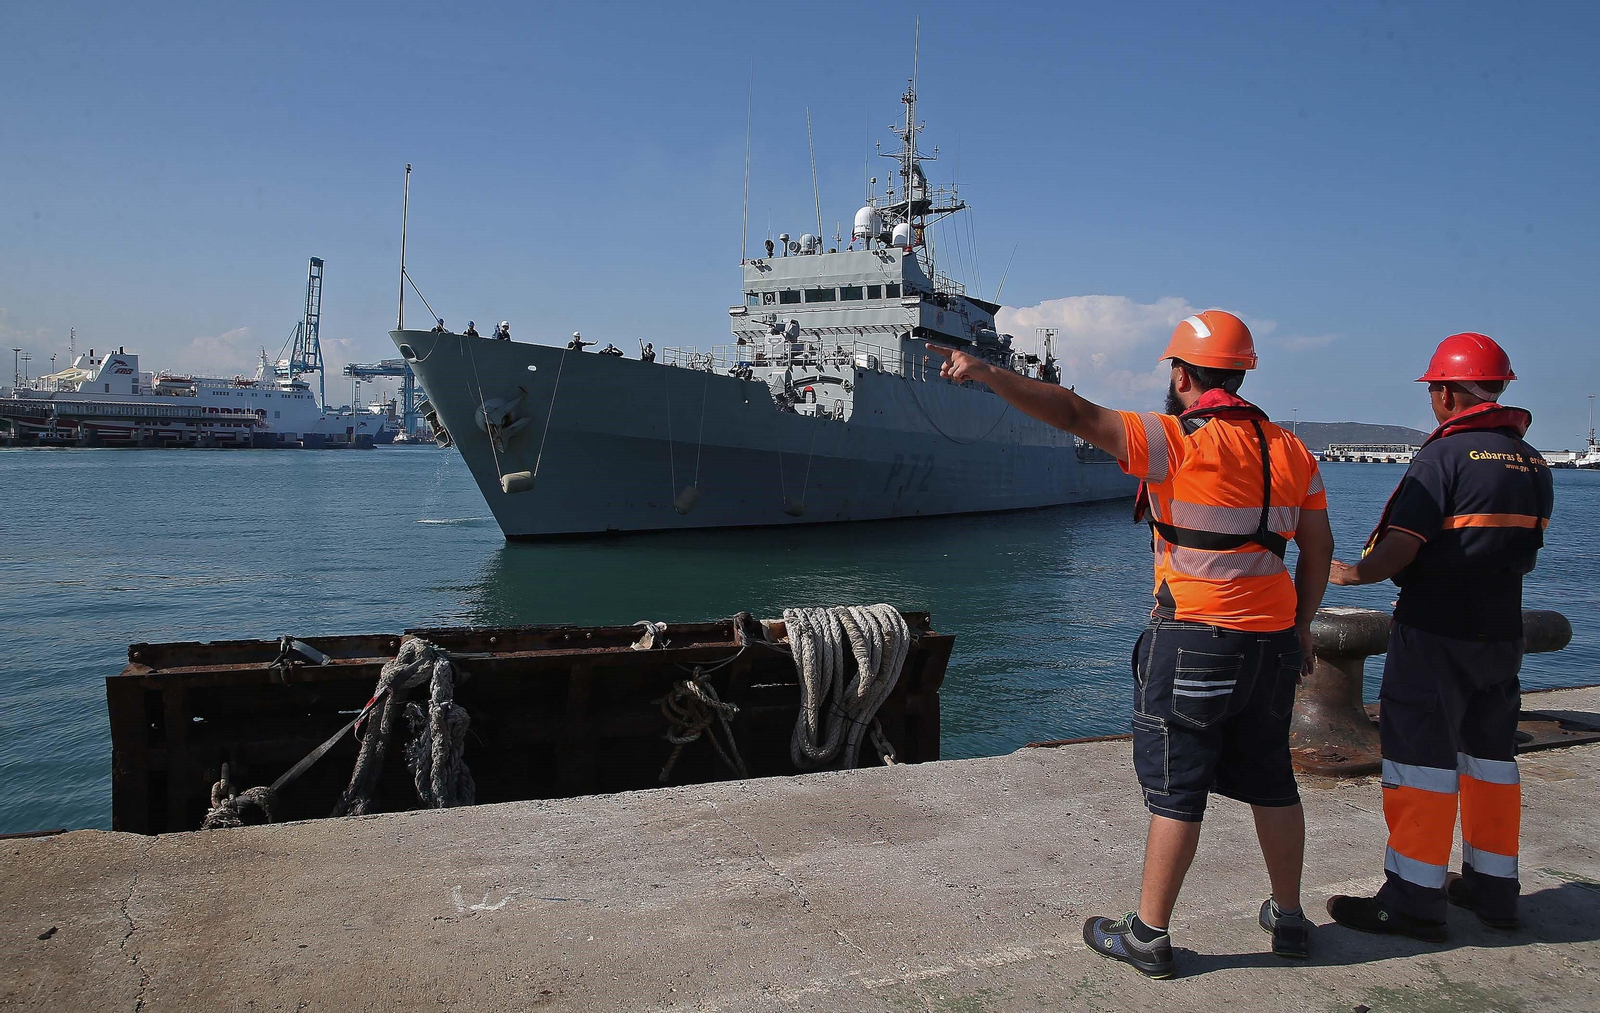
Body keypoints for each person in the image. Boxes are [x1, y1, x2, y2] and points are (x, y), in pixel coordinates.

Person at [928, 310, 1334, 977]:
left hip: (1195, 639)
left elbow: (1075, 413)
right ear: (1240, 374)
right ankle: (1289, 918)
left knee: (1178, 790)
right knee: (1272, 779)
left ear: (1182, 376)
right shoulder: (1291, 450)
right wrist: (1301, 625)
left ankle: (1148, 935)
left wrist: (987, 373)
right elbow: (1317, 550)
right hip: (1271, 646)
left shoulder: (1171, 439)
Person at [1325, 332, 1552, 941]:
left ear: (1448, 392)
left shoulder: (1443, 457)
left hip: (1435, 632)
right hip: (1501, 631)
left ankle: (1413, 901)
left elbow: (1402, 545)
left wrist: (1352, 574)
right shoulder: (1532, 461)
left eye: (1433, 390)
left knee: (1420, 764)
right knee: (1490, 761)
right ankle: (1493, 889)